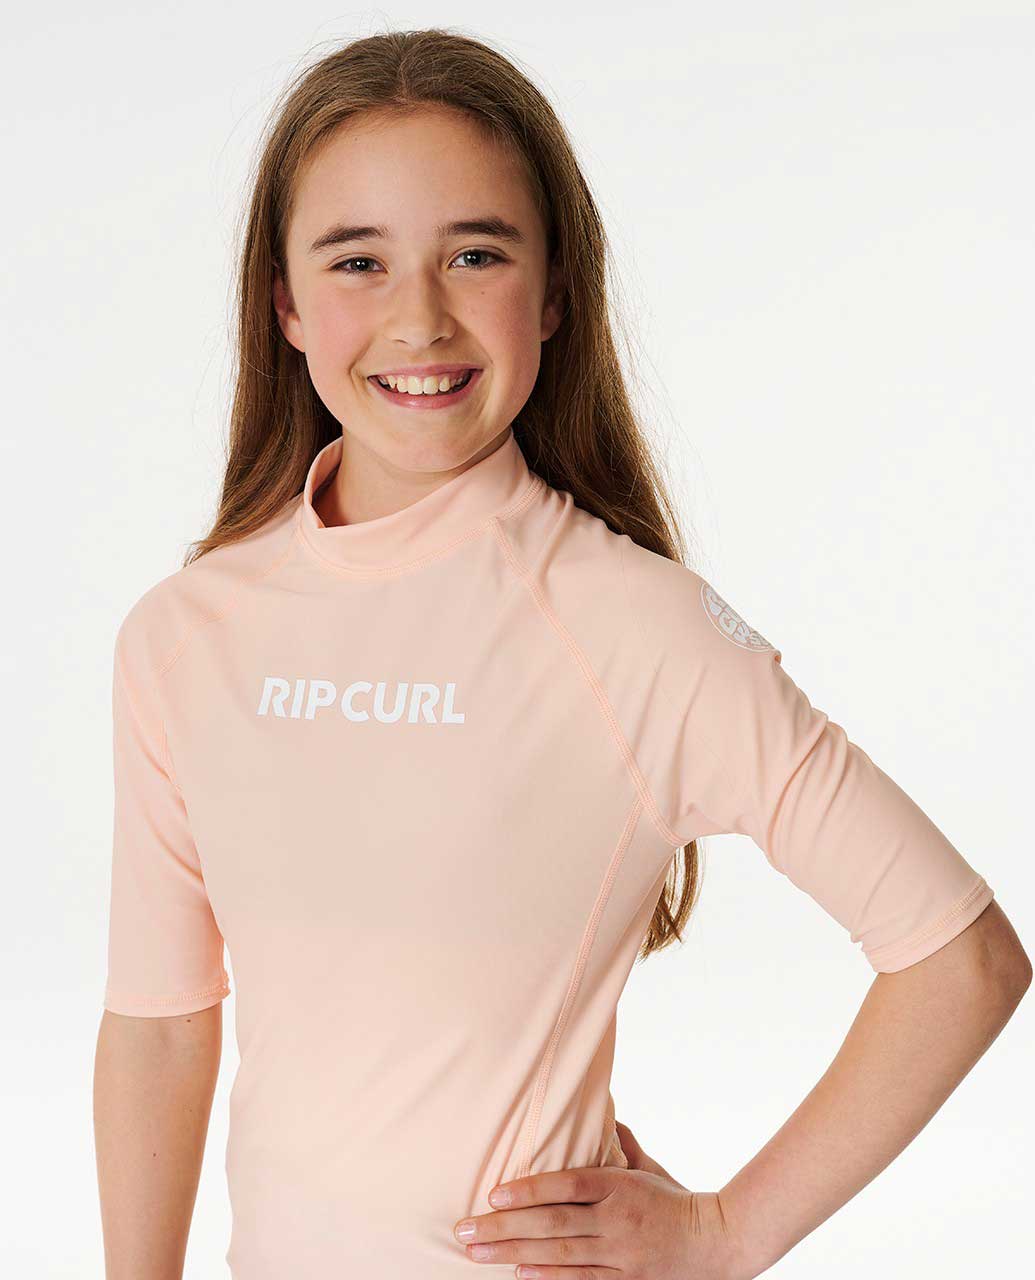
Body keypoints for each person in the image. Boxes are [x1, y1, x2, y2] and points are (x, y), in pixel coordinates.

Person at [93, 27, 1030, 1280]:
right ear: (287, 303)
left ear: (552, 293)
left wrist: (726, 1231)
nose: (418, 317)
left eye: (475, 254)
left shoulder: (631, 625)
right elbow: (159, 1025)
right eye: (359, 260)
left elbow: (961, 957)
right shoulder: (185, 635)